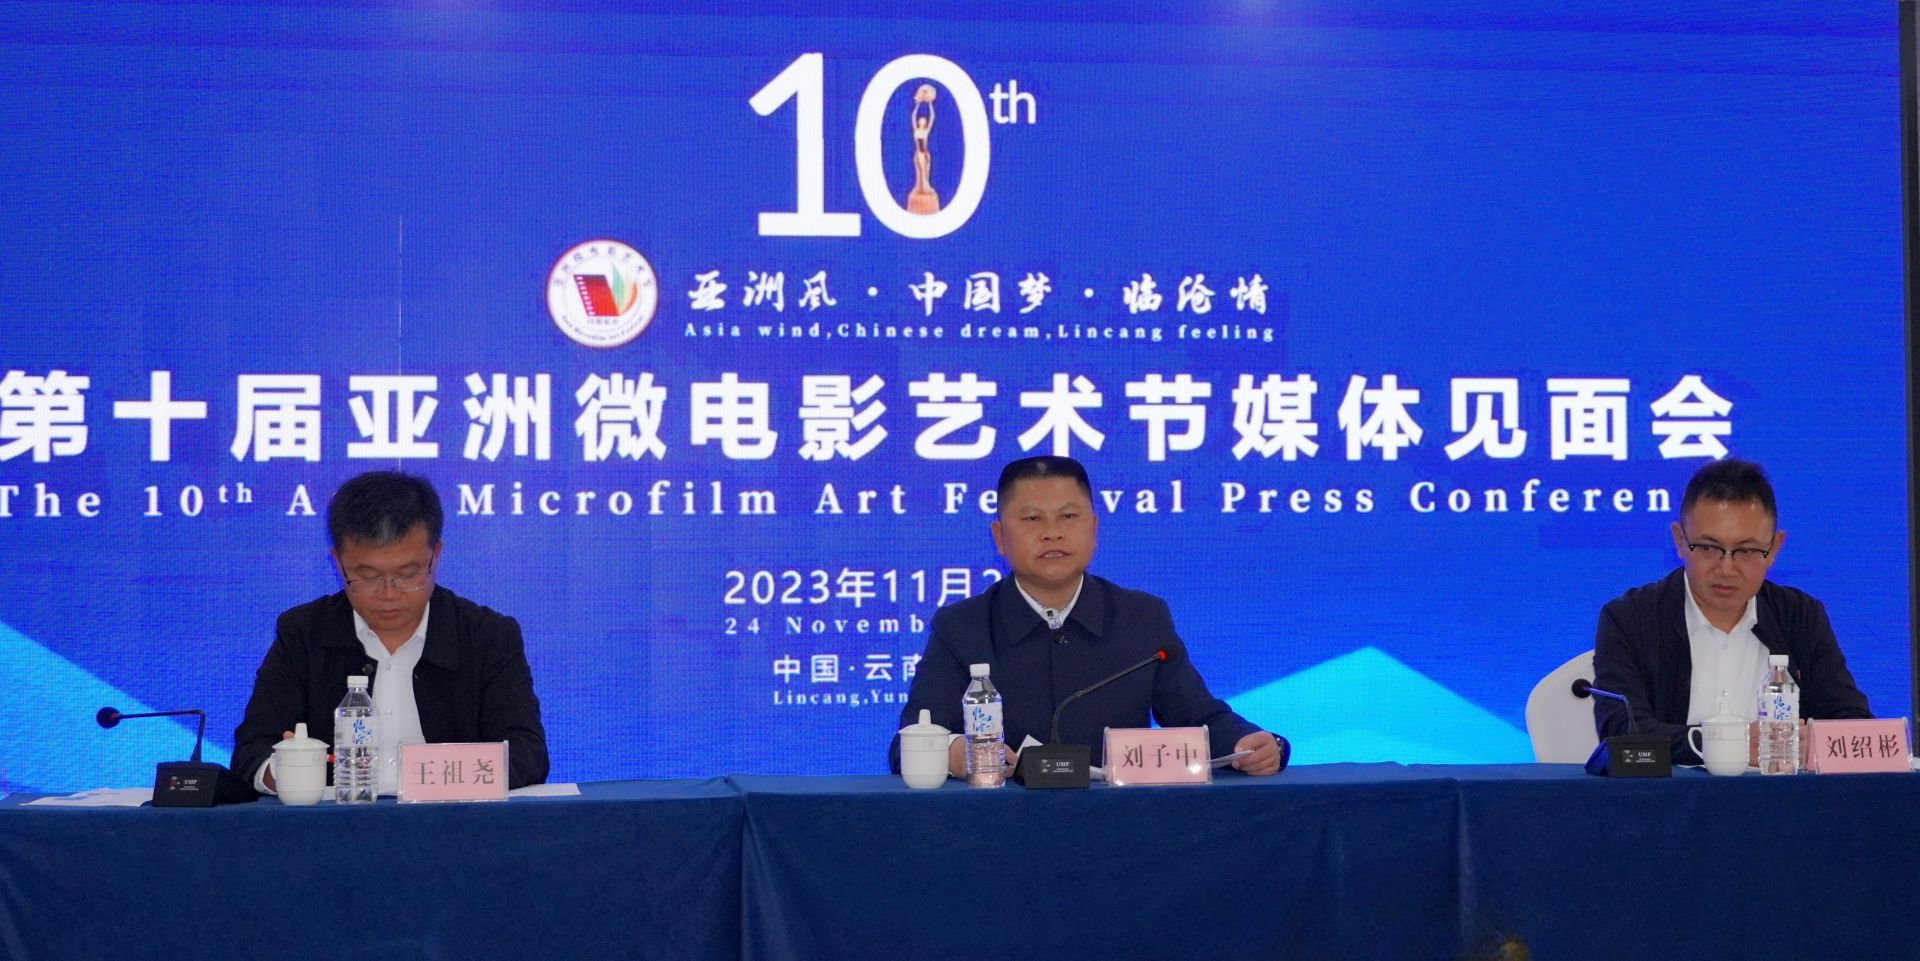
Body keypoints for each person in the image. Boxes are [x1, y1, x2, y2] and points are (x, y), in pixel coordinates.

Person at [888, 455, 1286, 778]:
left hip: (1122, 828)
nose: (1052, 533)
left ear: (1093, 529)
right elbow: (907, 744)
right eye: (1032, 519)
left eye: (1068, 516)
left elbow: (1198, 718)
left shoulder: (1142, 618)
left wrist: (1249, 744)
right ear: (999, 537)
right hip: (1000, 830)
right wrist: (956, 753)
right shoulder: (961, 627)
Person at [232, 470, 548, 794]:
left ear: (436, 556)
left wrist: (430, 778)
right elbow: (252, 751)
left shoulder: (487, 636)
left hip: (453, 820)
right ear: (338, 562)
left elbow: (527, 754)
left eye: (407, 574)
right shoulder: (303, 633)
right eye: (368, 576)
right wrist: (284, 770)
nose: (388, 593)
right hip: (334, 824)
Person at [1591, 458, 1870, 765]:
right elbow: (1623, 734)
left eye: (1746, 551)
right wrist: (1729, 743)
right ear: (1680, 540)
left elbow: (1852, 725)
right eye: (1708, 548)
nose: (1726, 568)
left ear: (1774, 549)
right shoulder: (1630, 618)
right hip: (1669, 794)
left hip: (1778, 794)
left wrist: (1814, 743)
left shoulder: (1800, 617)